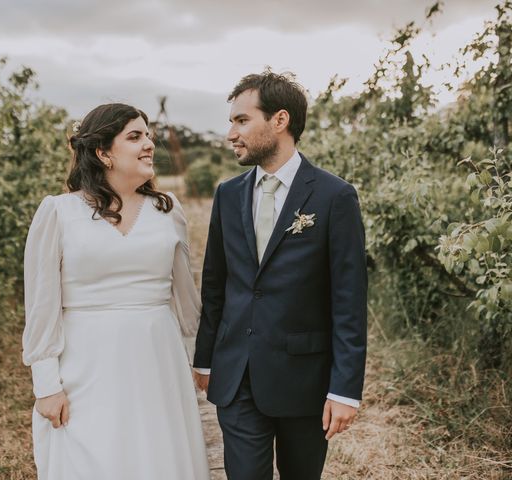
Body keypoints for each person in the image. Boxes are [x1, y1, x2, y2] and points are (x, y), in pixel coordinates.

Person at [193, 70, 367, 479]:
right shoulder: (228, 194)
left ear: (280, 120)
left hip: (304, 380)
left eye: (241, 120)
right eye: (231, 122)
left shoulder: (334, 197)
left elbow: (349, 300)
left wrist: (344, 390)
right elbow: (216, 282)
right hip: (237, 376)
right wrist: (205, 358)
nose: (231, 134)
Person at [22, 103, 210, 480]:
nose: (149, 145)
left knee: (159, 458)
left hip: (158, 360)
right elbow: (41, 304)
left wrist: (199, 360)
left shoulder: (168, 210)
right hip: (85, 364)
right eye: (135, 136)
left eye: (149, 136)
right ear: (103, 152)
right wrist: (46, 385)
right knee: (92, 457)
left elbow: (186, 298)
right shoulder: (58, 212)